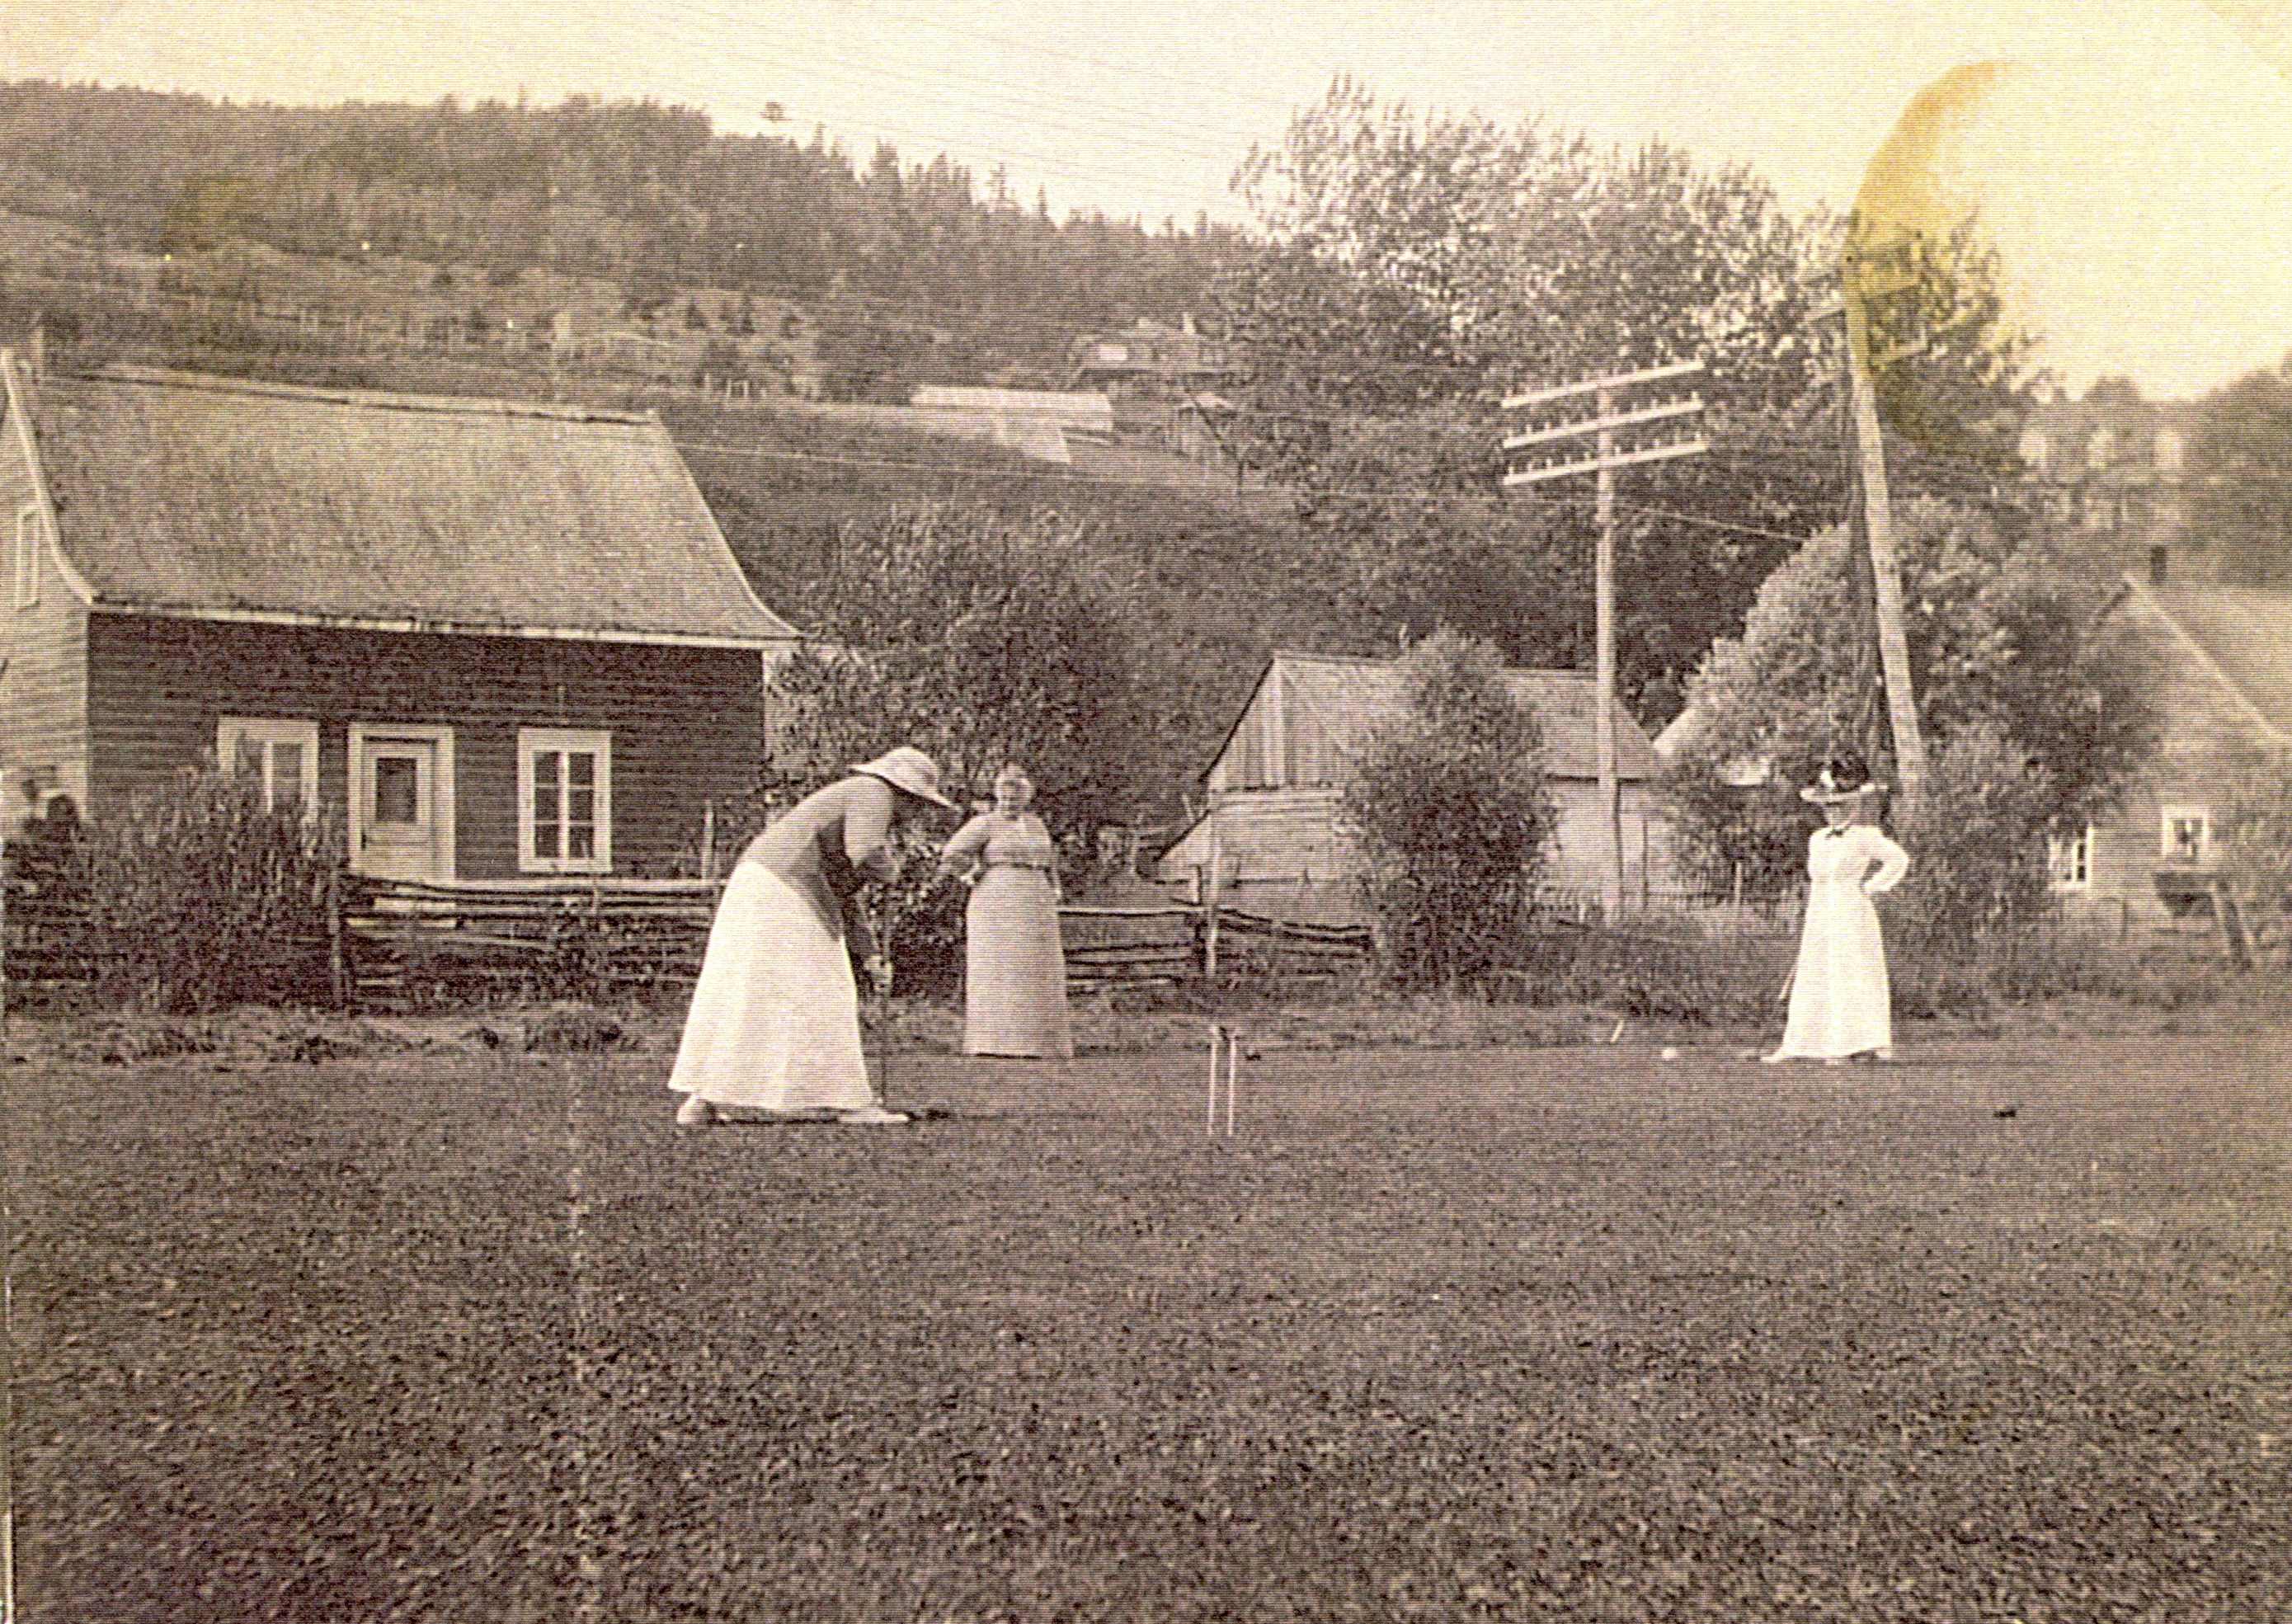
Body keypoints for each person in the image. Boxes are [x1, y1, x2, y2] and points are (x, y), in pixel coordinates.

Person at [669, 746, 954, 1127]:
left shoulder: (850, 798)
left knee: (750, 990)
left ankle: (702, 1100)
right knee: (824, 987)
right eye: (919, 804)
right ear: (903, 792)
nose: (919, 814)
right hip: (786, 891)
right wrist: (893, 870)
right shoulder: (873, 792)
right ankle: (851, 1103)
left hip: (759, 885)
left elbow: (844, 896)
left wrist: (869, 955)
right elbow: (867, 852)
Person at [1763, 756, 1911, 1066]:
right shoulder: (1817, 840)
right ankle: (1800, 1042)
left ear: (1854, 807)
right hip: (1820, 910)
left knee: (1849, 972)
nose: (1834, 812)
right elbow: (1819, 878)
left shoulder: (1865, 836)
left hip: (1851, 910)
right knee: (1816, 971)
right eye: (1829, 807)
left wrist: (1871, 887)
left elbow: (1898, 860)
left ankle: (1852, 1043)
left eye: (1841, 806)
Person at [935, 761, 1074, 1059]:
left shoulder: (1036, 824)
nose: (1011, 803)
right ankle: (995, 1042)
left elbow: (1050, 860)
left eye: (1017, 798)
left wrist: (1055, 887)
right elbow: (950, 855)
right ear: (997, 797)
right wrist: (969, 873)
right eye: (1006, 797)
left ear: (1027, 799)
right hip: (998, 898)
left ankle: (1039, 1043)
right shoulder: (984, 823)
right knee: (1001, 967)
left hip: (1035, 897)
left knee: (1036, 966)